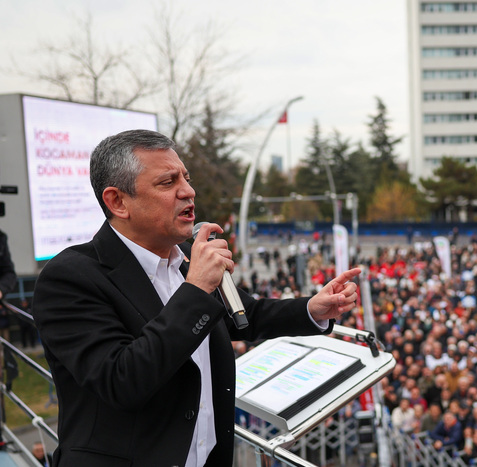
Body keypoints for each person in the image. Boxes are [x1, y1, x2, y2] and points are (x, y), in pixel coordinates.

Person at [32, 130, 362, 467]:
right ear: (118, 202)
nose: (188, 191)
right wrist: (195, 289)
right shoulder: (70, 278)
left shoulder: (188, 258)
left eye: (186, 178)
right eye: (167, 182)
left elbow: (244, 315)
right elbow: (122, 380)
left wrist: (312, 309)